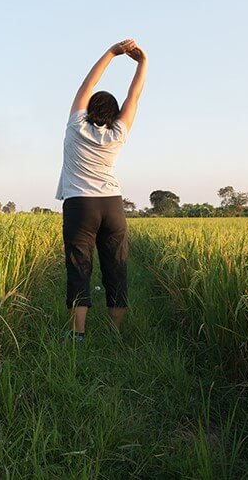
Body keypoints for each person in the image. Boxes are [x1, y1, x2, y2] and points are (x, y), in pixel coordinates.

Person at [56, 39, 147, 342]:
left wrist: (112, 52)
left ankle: (78, 335)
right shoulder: (119, 132)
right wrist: (141, 61)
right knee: (116, 266)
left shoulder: (75, 125)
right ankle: (115, 333)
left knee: (79, 267)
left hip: (80, 205)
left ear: (88, 107)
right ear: (115, 113)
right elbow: (135, 95)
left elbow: (88, 82)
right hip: (112, 205)